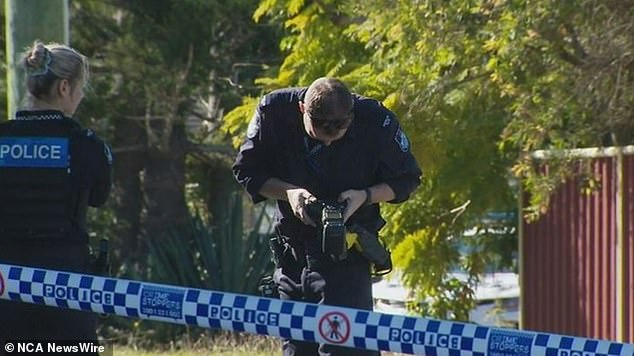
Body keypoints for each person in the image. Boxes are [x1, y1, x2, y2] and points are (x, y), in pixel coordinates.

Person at [233, 77, 421, 356]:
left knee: (348, 351)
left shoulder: (376, 120)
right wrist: (291, 193)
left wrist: (365, 196)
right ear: (301, 109)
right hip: (293, 257)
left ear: (352, 116)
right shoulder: (273, 112)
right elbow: (247, 171)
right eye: (320, 128)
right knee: (297, 350)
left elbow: (408, 179)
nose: (330, 136)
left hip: (346, 257)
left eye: (340, 127)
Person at [0, 41, 112, 344]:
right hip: (66, 291)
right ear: (64, 87)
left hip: (5, 290)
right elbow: (98, 197)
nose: (82, 95)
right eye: (81, 87)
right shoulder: (87, 146)